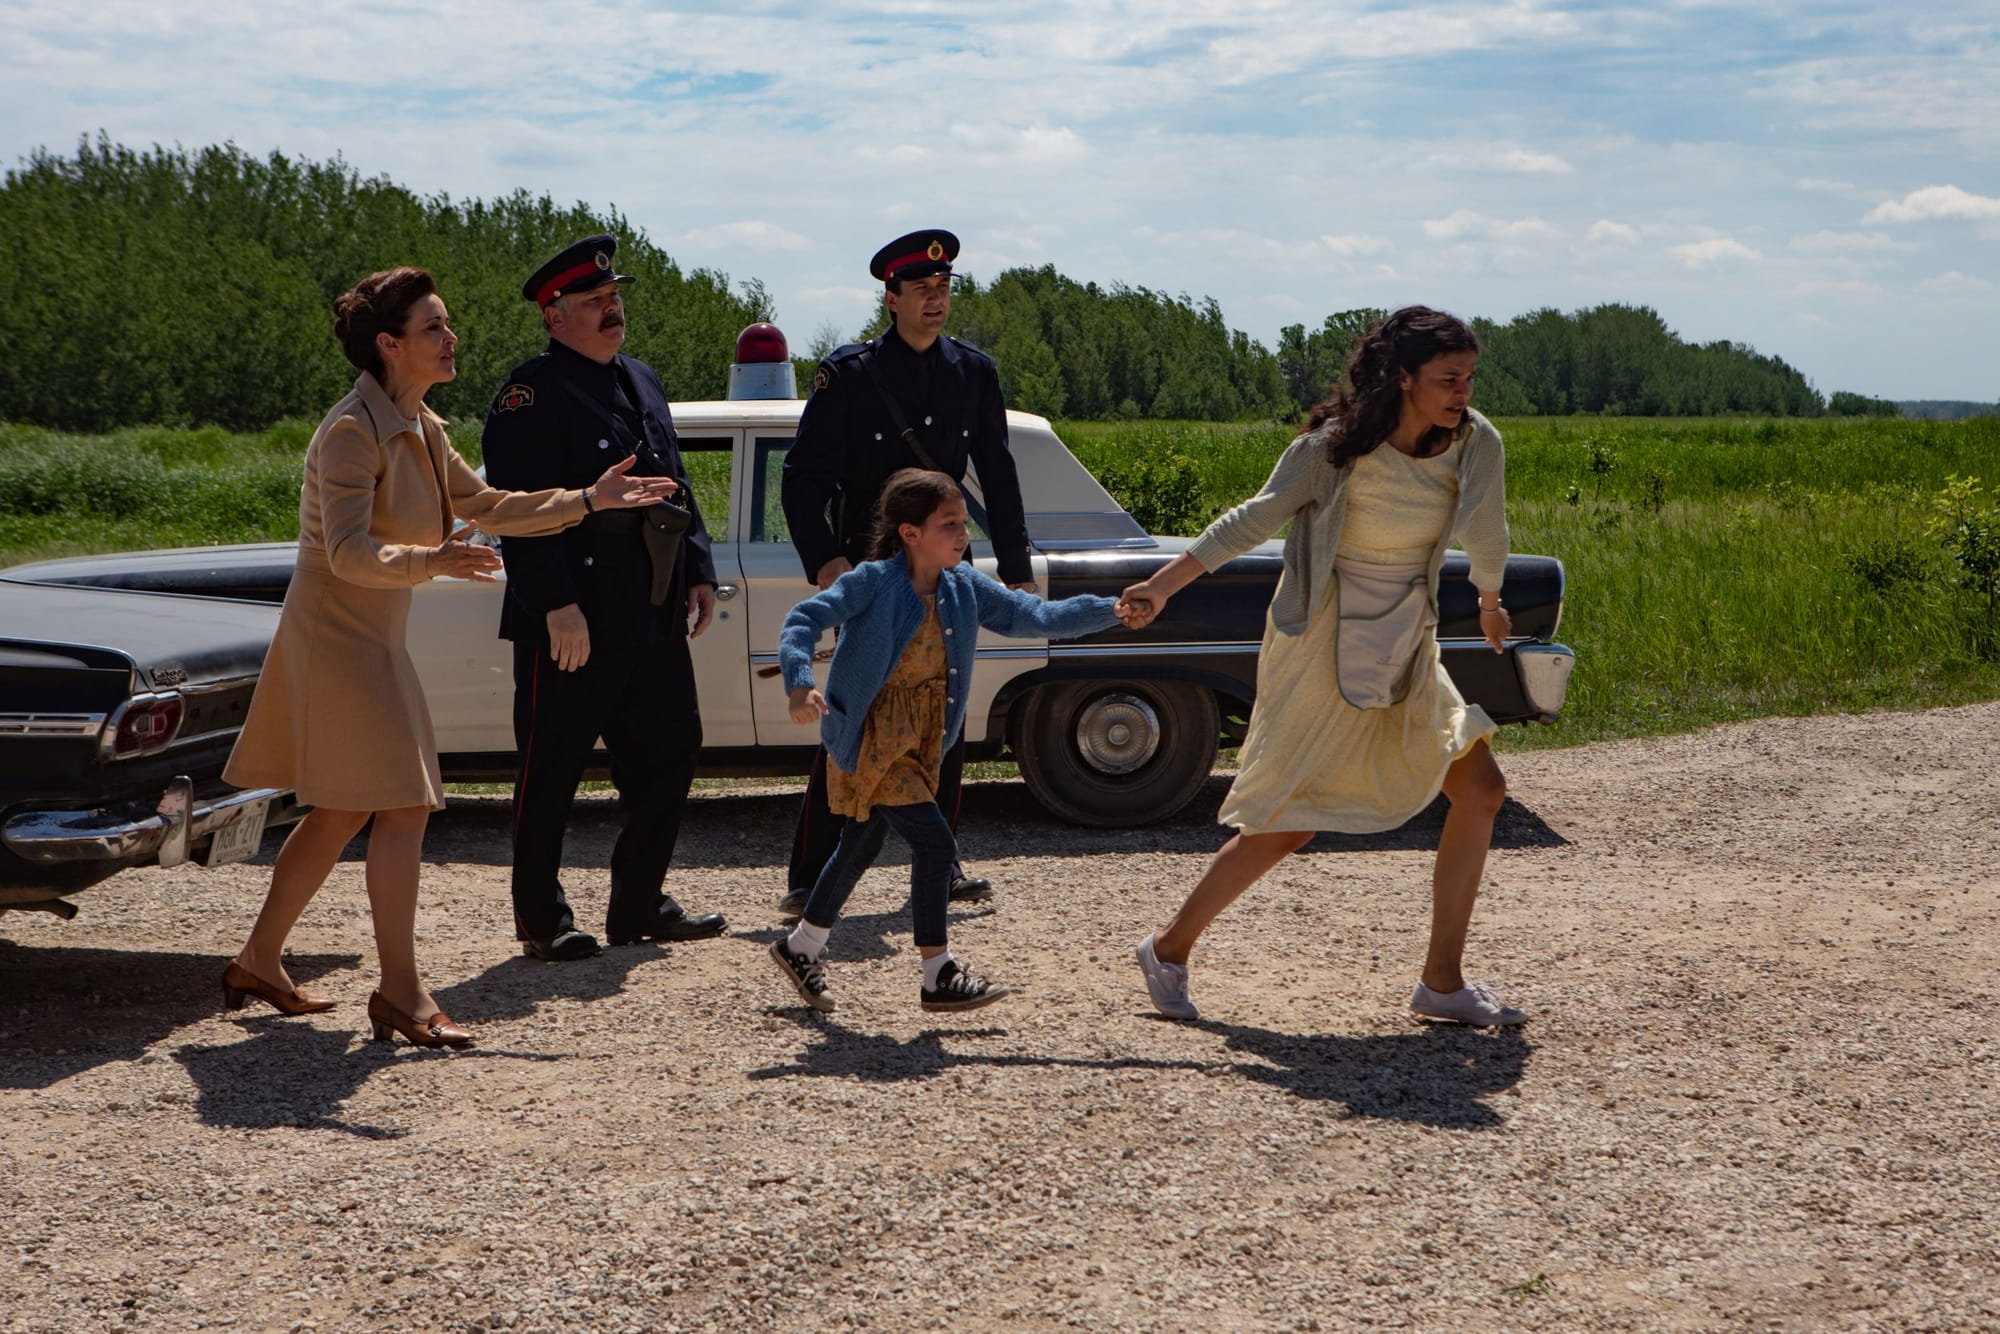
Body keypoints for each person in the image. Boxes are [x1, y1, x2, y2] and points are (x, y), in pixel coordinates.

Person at [221, 266, 678, 1047]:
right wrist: (433, 561)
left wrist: (587, 500)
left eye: (446, 323)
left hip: (372, 638)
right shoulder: (351, 432)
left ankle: (259, 959)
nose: (450, 336)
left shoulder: (424, 427)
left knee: (341, 813)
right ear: (390, 346)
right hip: (336, 641)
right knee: (401, 805)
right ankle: (401, 991)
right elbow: (347, 551)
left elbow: (489, 506)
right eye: (433, 327)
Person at [1118, 306, 1529, 1028]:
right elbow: (1252, 520)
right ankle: (1168, 947)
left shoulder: (1475, 441)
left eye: (1469, 377)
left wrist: (1491, 599)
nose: (1462, 391)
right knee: (1287, 825)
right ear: (1403, 377)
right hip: (1322, 639)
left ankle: (1441, 980)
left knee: (1482, 788)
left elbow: (1487, 524)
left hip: (1407, 636)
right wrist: (1162, 584)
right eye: (1446, 378)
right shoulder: (1333, 450)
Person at [767, 470, 1139, 1013]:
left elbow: (1035, 615)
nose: (963, 535)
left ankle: (801, 946)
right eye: (950, 525)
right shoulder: (873, 581)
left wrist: (1111, 610)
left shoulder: (964, 586)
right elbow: (803, 619)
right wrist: (800, 683)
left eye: (964, 524)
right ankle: (937, 972)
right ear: (909, 532)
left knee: (860, 844)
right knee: (937, 846)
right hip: (872, 738)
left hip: (921, 741)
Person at [482, 233, 728, 962]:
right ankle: (542, 919)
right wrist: (555, 602)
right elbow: (518, 511)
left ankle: (639, 903)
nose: (612, 310)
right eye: (594, 302)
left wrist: (698, 567)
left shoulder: (642, 379)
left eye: (614, 298)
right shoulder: (531, 396)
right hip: (574, 617)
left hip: (649, 608)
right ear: (554, 316)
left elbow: (675, 480)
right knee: (551, 770)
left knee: (670, 751)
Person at [776, 228, 1034, 918]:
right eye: (921, 289)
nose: (935, 300)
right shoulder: (852, 374)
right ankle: (810, 875)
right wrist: (827, 559)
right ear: (889, 298)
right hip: (875, 566)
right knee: (855, 711)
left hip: (947, 567)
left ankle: (939, 863)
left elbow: (999, 473)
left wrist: (1014, 567)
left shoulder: (971, 371)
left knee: (942, 713)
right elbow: (804, 476)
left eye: (944, 288)